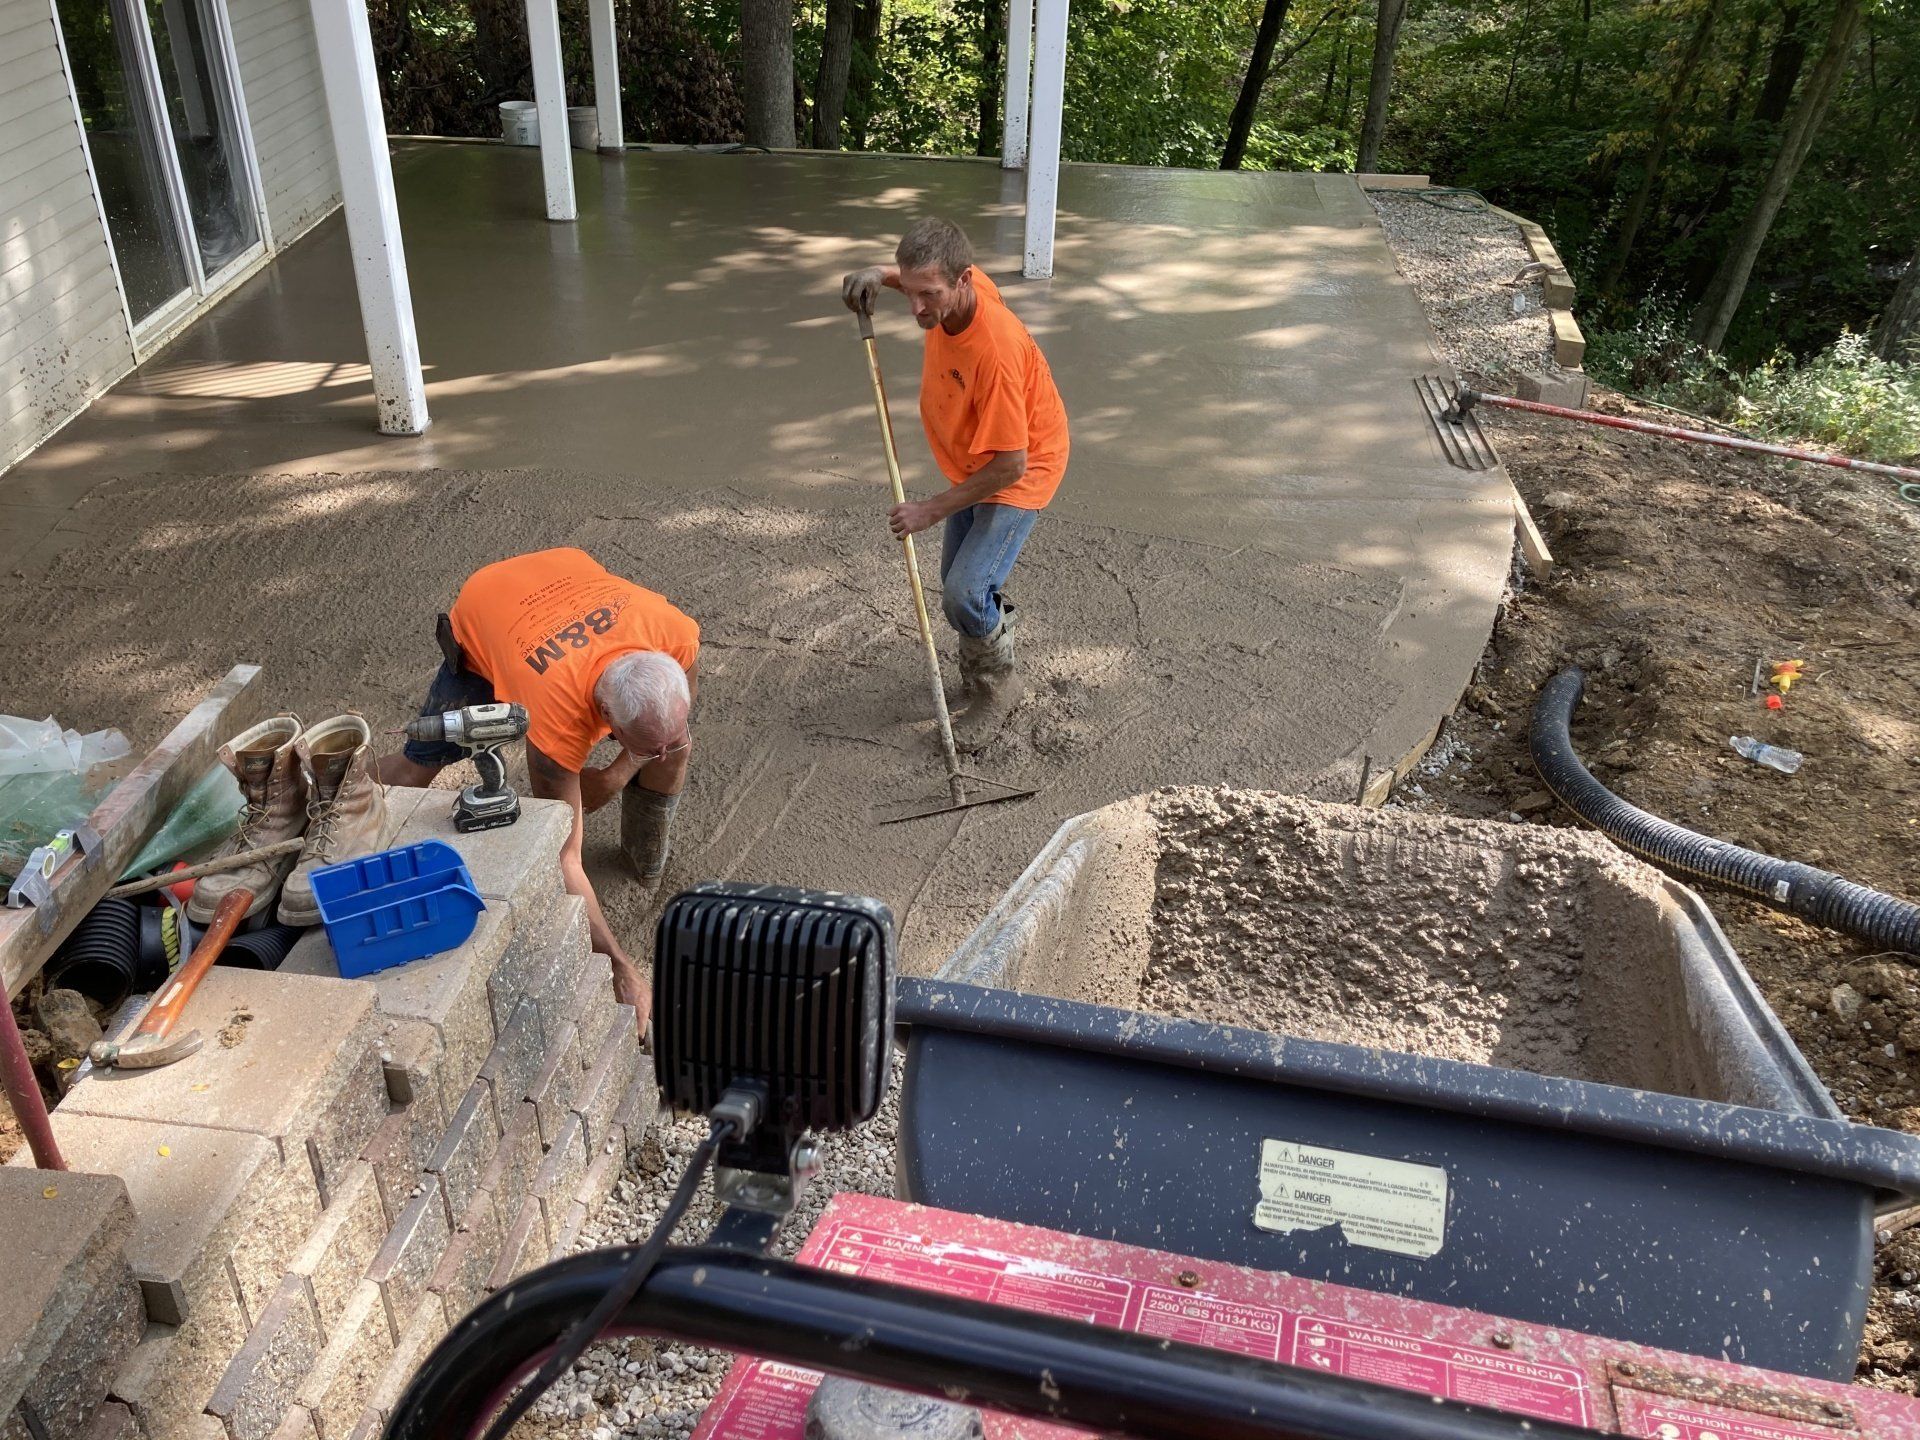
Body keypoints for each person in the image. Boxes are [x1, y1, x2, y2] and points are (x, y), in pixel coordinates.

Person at [379, 548, 697, 1029]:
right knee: (417, 769)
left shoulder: (676, 637)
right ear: (606, 718)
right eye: (641, 744)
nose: (661, 751)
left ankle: (644, 854)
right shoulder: (553, 715)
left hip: (563, 570)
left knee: (674, 748)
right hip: (490, 609)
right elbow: (563, 854)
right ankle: (328, 777)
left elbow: (671, 738)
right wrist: (620, 965)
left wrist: (613, 774)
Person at [841, 217, 1070, 747]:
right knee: (959, 587)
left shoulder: (995, 351)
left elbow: (1012, 463)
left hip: (1018, 470)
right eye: (911, 292)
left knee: (964, 594)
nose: (918, 307)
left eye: (930, 296)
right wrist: (878, 272)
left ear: (964, 281)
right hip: (974, 460)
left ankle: (997, 686)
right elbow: (916, 278)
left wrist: (930, 509)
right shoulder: (961, 287)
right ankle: (987, 658)